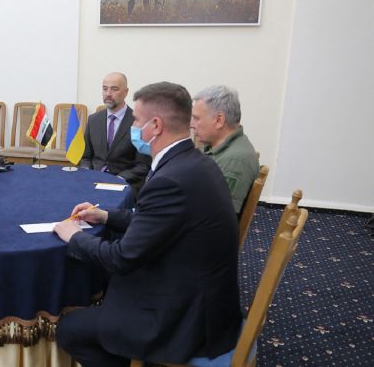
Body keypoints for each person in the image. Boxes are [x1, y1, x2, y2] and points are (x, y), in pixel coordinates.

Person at [53, 82, 242, 366]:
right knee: (105, 283)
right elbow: (157, 221)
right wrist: (105, 215)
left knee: (69, 330)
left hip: (185, 317)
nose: (133, 127)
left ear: (155, 126)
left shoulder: (171, 179)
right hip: (201, 291)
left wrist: (74, 236)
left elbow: (122, 258)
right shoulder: (193, 162)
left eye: (136, 121)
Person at [79, 72, 151, 198]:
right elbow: (86, 157)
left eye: (114, 89)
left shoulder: (138, 122)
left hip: (124, 184)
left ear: (126, 92)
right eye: (105, 88)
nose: (108, 93)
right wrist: (87, 172)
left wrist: (119, 179)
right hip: (94, 181)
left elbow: (143, 165)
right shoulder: (93, 120)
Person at [190, 85, 259, 215]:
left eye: (197, 118)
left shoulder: (234, 161)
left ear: (219, 120)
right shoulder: (221, 148)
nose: (192, 125)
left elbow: (217, 215)